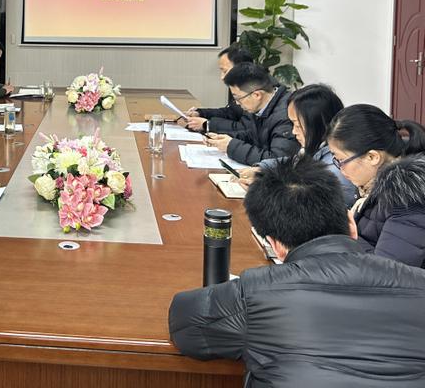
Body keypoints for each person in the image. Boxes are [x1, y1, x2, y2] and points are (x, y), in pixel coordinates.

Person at [169, 157, 425, 388]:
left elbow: (186, 323)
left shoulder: (258, 293)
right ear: (351, 224)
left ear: (275, 245)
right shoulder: (418, 283)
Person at [327, 104, 425, 267]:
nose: (340, 168)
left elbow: (387, 272)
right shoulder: (372, 187)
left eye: (341, 160)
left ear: (372, 157)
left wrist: (343, 232)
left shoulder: (409, 199)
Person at [238, 83, 357, 207]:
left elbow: (310, 209)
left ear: (318, 124)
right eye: (292, 124)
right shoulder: (317, 149)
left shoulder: (336, 168)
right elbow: (293, 162)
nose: (294, 131)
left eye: (298, 125)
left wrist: (262, 192)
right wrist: (261, 169)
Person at [205, 62, 298, 165]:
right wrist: (225, 139)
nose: (237, 103)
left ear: (257, 95)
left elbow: (276, 161)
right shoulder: (262, 106)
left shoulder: (286, 114)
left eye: (238, 98)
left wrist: (231, 146)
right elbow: (254, 137)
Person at [180, 44, 253, 133]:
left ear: (241, 68)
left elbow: (246, 128)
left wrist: (207, 125)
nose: (222, 77)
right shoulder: (241, 86)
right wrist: (200, 113)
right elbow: (230, 113)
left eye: (225, 71)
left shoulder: (255, 91)